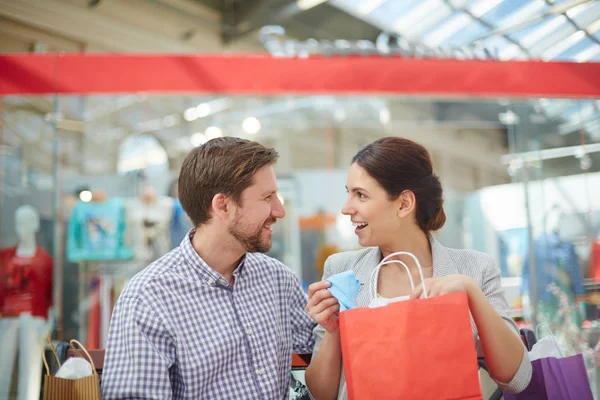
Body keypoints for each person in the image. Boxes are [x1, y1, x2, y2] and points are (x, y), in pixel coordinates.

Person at [305, 137, 532, 399]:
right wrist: (333, 330)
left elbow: (517, 378)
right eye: (349, 193)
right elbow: (321, 395)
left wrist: (471, 293)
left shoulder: (474, 269)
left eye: (361, 195)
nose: (347, 208)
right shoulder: (341, 270)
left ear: (404, 204)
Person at [102, 137, 315, 399]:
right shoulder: (149, 298)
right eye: (268, 197)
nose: (279, 211)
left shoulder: (278, 279)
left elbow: (316, 353)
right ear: (223, 205)